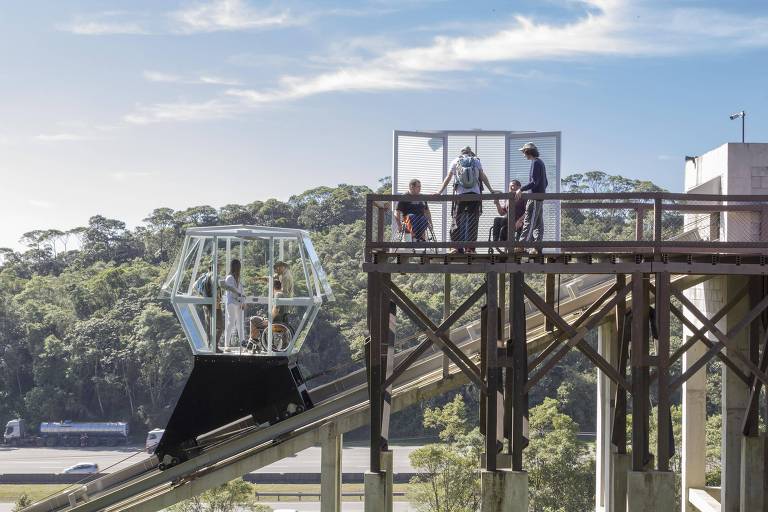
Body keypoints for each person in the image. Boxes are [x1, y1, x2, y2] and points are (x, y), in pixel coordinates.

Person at [436, 146, 496, 254]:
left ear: (462, 153)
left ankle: (455, 247)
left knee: (457, 220)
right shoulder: (476, 160)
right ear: (470, 153)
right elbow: (482, 176)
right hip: (474, 194)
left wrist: (439, 192)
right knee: (472, 220)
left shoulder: (456, 161)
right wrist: (491, 190)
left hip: (460, 195)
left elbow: (448, 177)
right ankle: (470, 249)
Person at [515, 142, 548, 253]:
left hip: (534, 199)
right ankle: (537, 247)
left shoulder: (535, 163)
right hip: (539, 198)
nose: (523, 154)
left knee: (529, 221)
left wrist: (521, 189)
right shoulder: (540, 162)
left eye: (524, 151)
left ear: (528, 151)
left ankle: (522, 245)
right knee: (538, 223)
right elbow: (545, 182)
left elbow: (534, 182)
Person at [222, 259, 245, 347]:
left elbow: (242, 291)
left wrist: (243, 301)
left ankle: (242, 345)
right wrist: (241, 299)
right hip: (232, 303)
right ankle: (226, 345)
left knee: (240, 323)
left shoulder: (237, 278)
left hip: (238, 303)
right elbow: (233, 292)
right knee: (231, 323)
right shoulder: (230, 278)